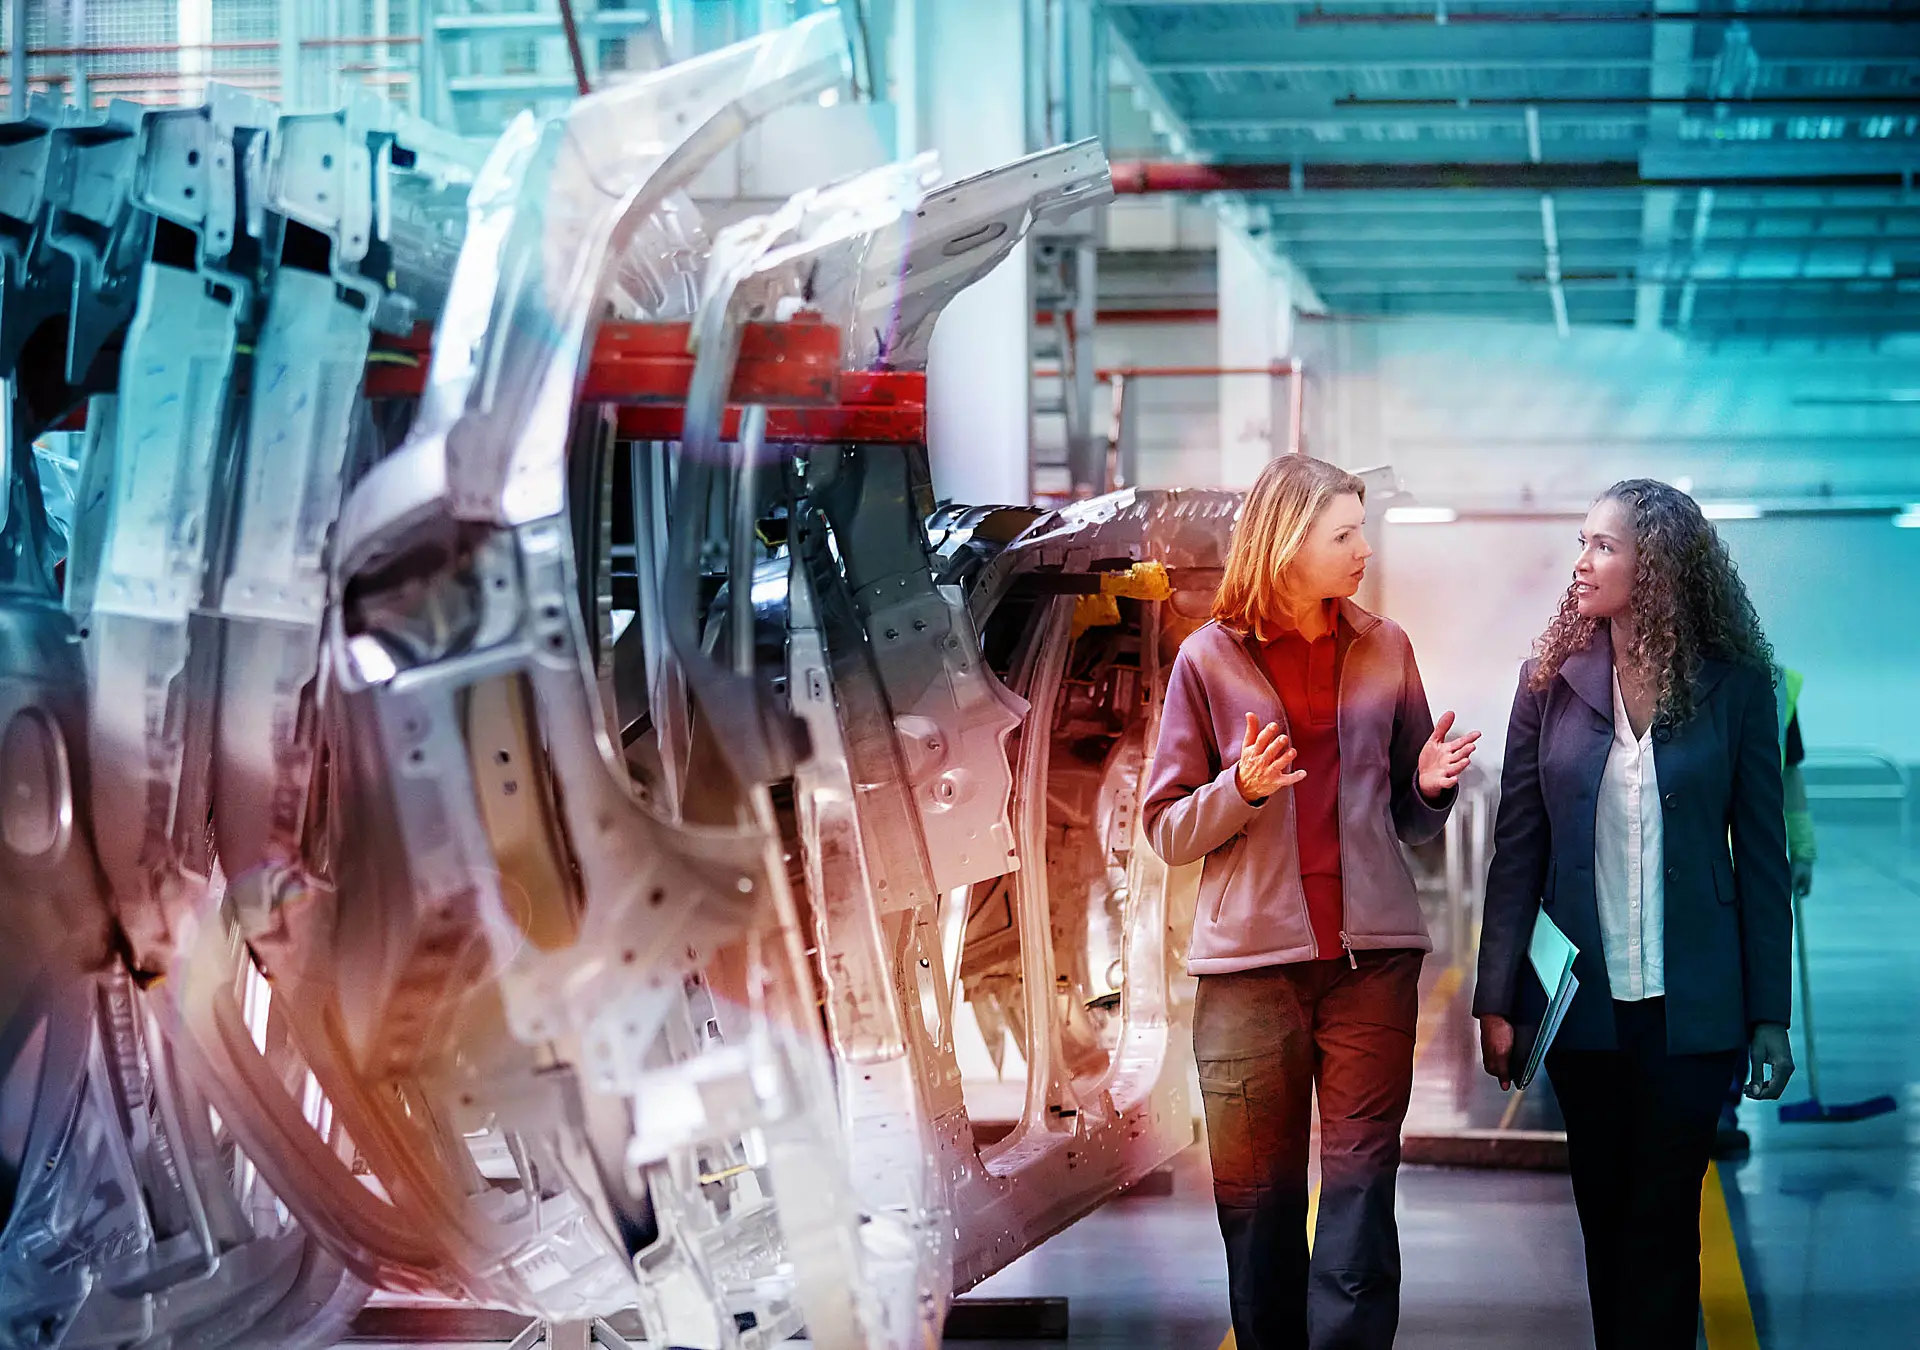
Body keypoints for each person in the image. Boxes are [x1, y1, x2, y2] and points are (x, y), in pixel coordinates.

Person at [1142, 455, 1479, 1350]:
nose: (1363, 551)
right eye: (1344, 535)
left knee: (1362, 1191)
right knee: (1258, 1203)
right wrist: (1240, 790)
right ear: (1288, 544)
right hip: (1249, 975)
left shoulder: (1386, 645)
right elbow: (1167, 827)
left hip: (1374, 965)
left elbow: (1409, 817)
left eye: (1361, 531)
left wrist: (1429, 784)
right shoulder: (1207, 660)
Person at [1472, 479, 1794, 1350]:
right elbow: (1517, 851)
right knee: (1605, 1214)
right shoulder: (1546, 685)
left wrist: (1769, 1014)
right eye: (1582, 544)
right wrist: (1496, 1000)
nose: (1581, 564)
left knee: (1663, 1219)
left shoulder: (1736, 688)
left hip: (1695, 1011)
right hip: (1585, 1013)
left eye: (1602, 546)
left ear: (1656, 566)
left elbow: (1762, 858)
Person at [1715, 665, 1816, 1157]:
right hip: (1703, 862)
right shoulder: (1692, 673)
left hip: (1753, 863)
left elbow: (1788, 775)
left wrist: (1803, 848)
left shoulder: (1776, 685)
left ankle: (1722, 1108)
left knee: (1743, 989)